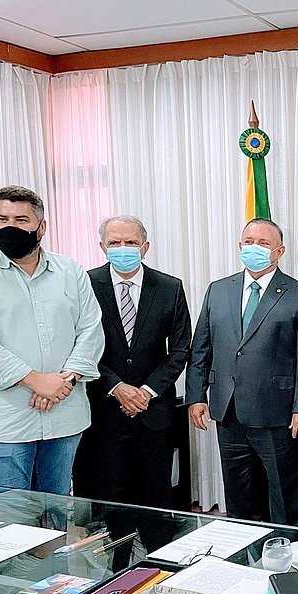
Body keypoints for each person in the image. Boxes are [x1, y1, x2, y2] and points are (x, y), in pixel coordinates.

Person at [0, 185, 104, 495]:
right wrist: (35, 380)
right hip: (3, 421)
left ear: (41, 227)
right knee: (8, 513)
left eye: (21, 220)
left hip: (63, 414)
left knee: (56, 507)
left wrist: (65, 380)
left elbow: (91, 329)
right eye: (2, 219)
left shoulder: (70, 270)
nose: (10, 227)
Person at [186, 218, 298, 526]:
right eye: (249, 242)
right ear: (239, 245)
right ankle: (246, 552)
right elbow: (201, 348)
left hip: (277, 414)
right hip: (228, 411)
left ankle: (289, 550)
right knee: (239, 497)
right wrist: (196, 396)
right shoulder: (218, 290)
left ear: (279, 251)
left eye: (263, 243)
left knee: (285, 497)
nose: (254, 248)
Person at [74, 215, 192, 509]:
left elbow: (180, 349)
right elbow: (77, 346)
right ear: (102, 246)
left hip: (153, 414)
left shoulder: (169, 287)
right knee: (106, 504)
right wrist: (116, 387)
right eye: (115, 243)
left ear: (145, 247)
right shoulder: (85, 284)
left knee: (155, 503)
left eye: (131, 242)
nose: (123, 248)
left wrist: (146, 391)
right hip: (102, 414)